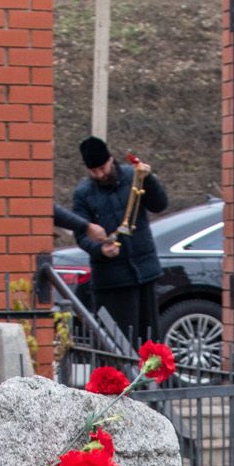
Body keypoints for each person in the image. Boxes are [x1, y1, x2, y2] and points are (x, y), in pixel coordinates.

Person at [64, 136, 169, 351]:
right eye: (94, 172)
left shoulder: (134, 178)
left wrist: (148, 179)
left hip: (145, 273)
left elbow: (159, 205)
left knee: (150, 342)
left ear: (111, 160)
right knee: (118, 345)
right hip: (111, 280)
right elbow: (82, 235)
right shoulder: (83, 193)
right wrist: (100, 249)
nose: (100, 175)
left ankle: (151, 384)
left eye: (103, 168)